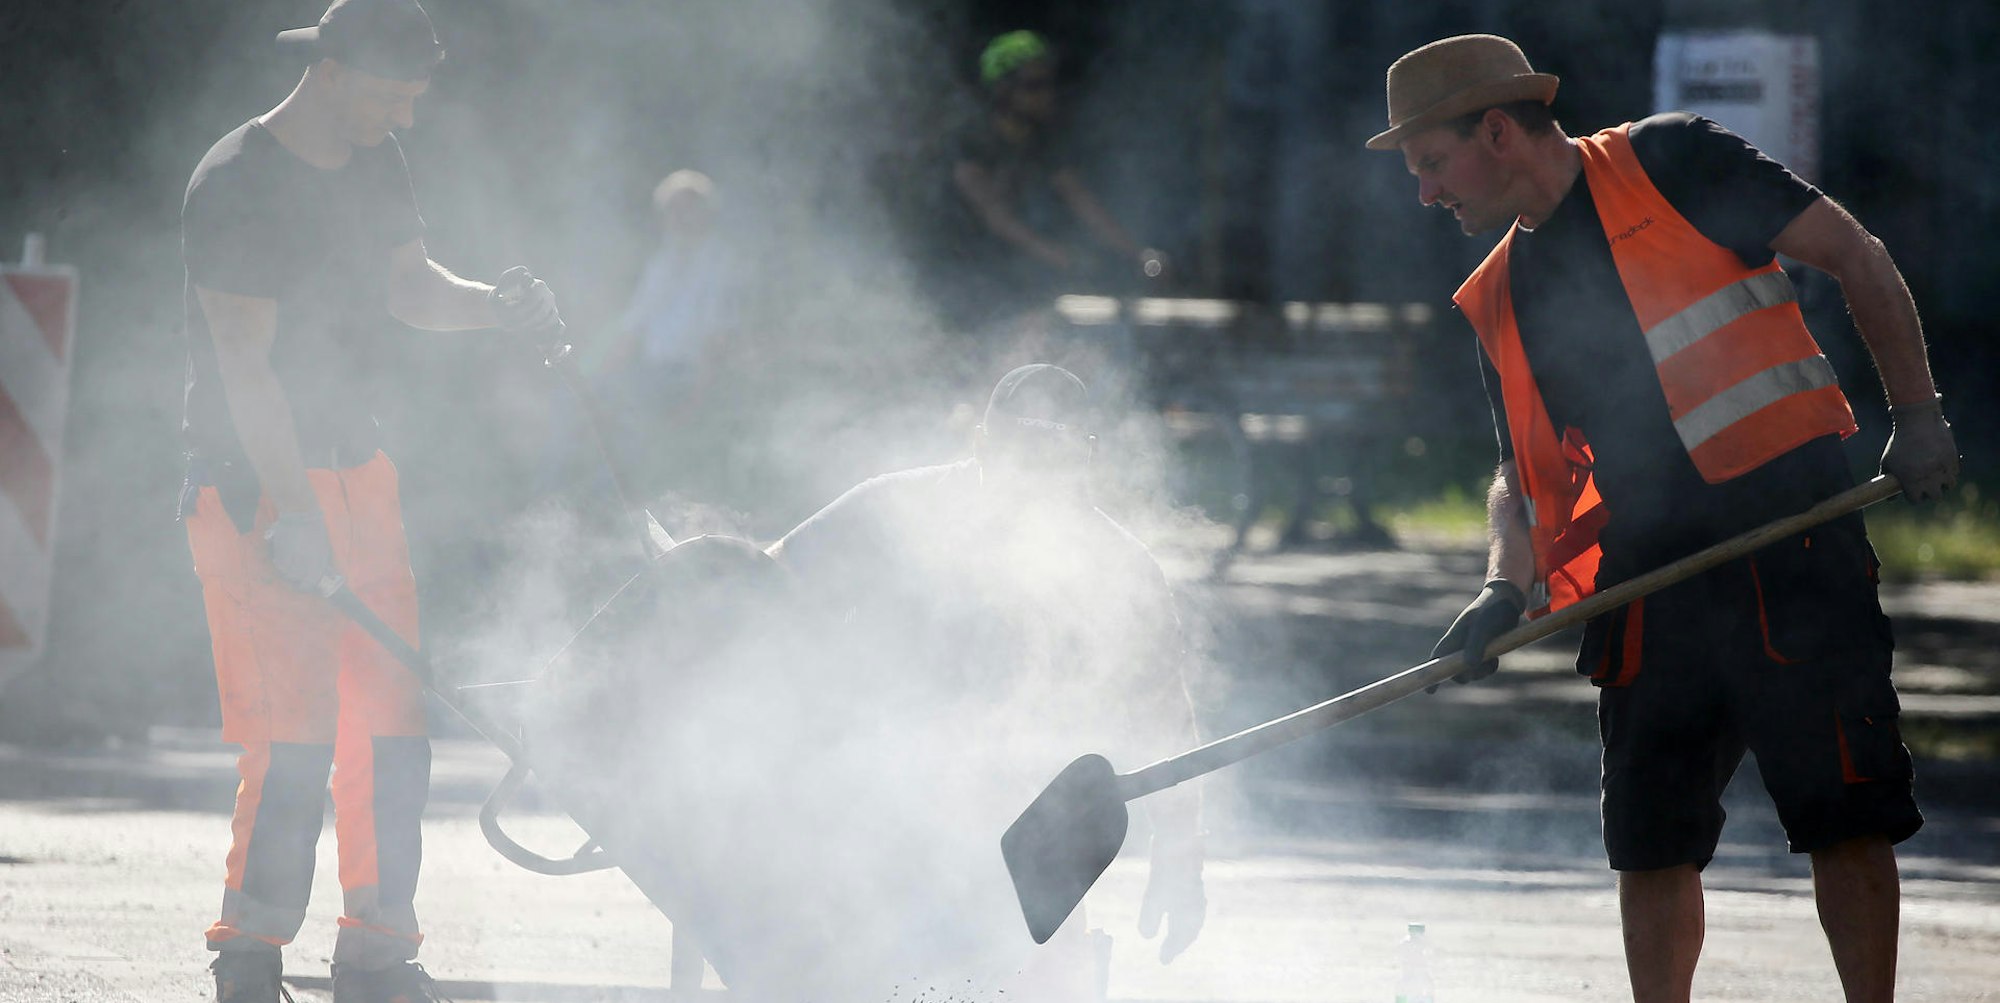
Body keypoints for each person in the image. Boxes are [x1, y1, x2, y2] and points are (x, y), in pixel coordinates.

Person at [1366, 34, 1958, 1003]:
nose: (1426, 193)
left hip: (1791, 543)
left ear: (1499, 131)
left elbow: (1853, 253)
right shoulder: (1499, 296)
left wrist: (1919, 414)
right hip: (1648, 581)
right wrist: (1495, 588)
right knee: (1647, 843)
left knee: (1841, 814)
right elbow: (1518, 476)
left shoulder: (1673, 160)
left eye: (1431, 163)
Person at [176, 1, 562, 1000]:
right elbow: (243, 365)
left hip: (360, 474)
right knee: (293, 734)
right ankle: (249, 955)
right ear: (334, 71)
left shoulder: (376, 158)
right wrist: (289, 508)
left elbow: (408, 287)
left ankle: (377, 950)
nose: (408, 115)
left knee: (391, 727)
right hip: (258, 492)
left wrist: (492, 309)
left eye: (415, 97)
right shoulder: (237, 183)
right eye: (394, 94)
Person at [766, 364, 1206, 999]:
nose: (1034, 476)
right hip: (882, 827)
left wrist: (1180, 856)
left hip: (1030, 846)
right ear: (983, 442)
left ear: (1084, 457)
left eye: (1052, 456)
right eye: (1021, 452)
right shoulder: (896, 507)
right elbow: (773, 576)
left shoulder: (1119, 568)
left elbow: (1164, 713)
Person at [937, 31, 1167, 341]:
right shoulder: (972, 141)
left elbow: (1081, 201)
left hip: (1004, 273)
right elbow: (994, 215)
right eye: (1034, 86)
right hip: (952, 272)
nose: (1048, 95)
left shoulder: (1042, 142)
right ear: (1003, 91)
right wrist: (1058, 256)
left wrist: (1140, 255)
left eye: (1049, 84)